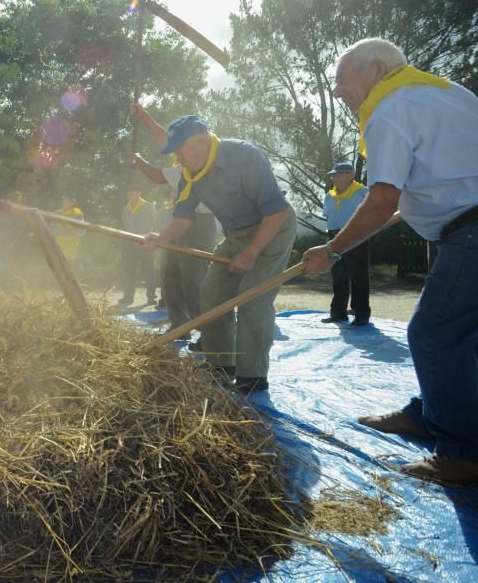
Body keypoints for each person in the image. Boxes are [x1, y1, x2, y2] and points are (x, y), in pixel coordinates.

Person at [303, 37, 478, 486]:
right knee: (461, 335)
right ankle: (431, 413)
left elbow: (381, 200)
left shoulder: (388, 110)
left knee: (434, 332)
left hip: (470, 231)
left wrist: (332, 249)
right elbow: (408, 197)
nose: (339, 92)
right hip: (457, 226)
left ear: (375, 69)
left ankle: (462, 453)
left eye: (343, 80)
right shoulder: (448, 93)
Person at [142, 114, 297, 394]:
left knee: (253, 299)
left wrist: (251, 251)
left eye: (180, 151)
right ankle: (222, 363)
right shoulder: (190, 175)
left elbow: (276, 211)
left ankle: (253, 376)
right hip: (236, 235)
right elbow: (184, 217)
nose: (178, 159)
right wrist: (161, 238)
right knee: (212, 293)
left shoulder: (242, 156)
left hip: (273, 228)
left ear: (201, 142)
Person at [131, 105, 218, 338]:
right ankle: (179, 324)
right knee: (170, 275)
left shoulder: (192, 165)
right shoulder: (185, 154)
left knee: (193, 278)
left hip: (199, 223)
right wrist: (144, 116)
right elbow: (163, 138)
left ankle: (206, 332)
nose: (175, 153)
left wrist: (138, 161)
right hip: (180, 220)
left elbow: (158, 177)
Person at [320, 162, 370, 325]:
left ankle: (361, 313)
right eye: (333, 175)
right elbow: (327, 216)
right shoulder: (330, 196)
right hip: (333, 237)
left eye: (338, 174)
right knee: (338, 276)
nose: (334, 178)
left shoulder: (363, 192)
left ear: (350, 175)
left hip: (356, 236)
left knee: (358, 276)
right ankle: (338, 312)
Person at [119, 185, 157, 308]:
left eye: (134, 192)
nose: (131, 195)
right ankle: (128, 297)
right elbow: (126, 226)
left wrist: (149, 238)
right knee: (129, 271)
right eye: (129, 193)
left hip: (145, 242)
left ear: (139, 193)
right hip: (130, 244)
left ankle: (151, 297)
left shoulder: (148, 206)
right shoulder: (126, 209)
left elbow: (154, 222)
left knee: (148, 270)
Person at [51, 193, 86, 269]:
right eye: (63, 201)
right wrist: (59, 232)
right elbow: (51, 230)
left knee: (73, 272)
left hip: (73, 250)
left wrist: (70, 232)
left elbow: (82, 231)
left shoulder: (78, 214)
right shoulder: (56, 213)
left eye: (67, 201)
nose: (64, 203)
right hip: (58, 248)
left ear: (72, 203)